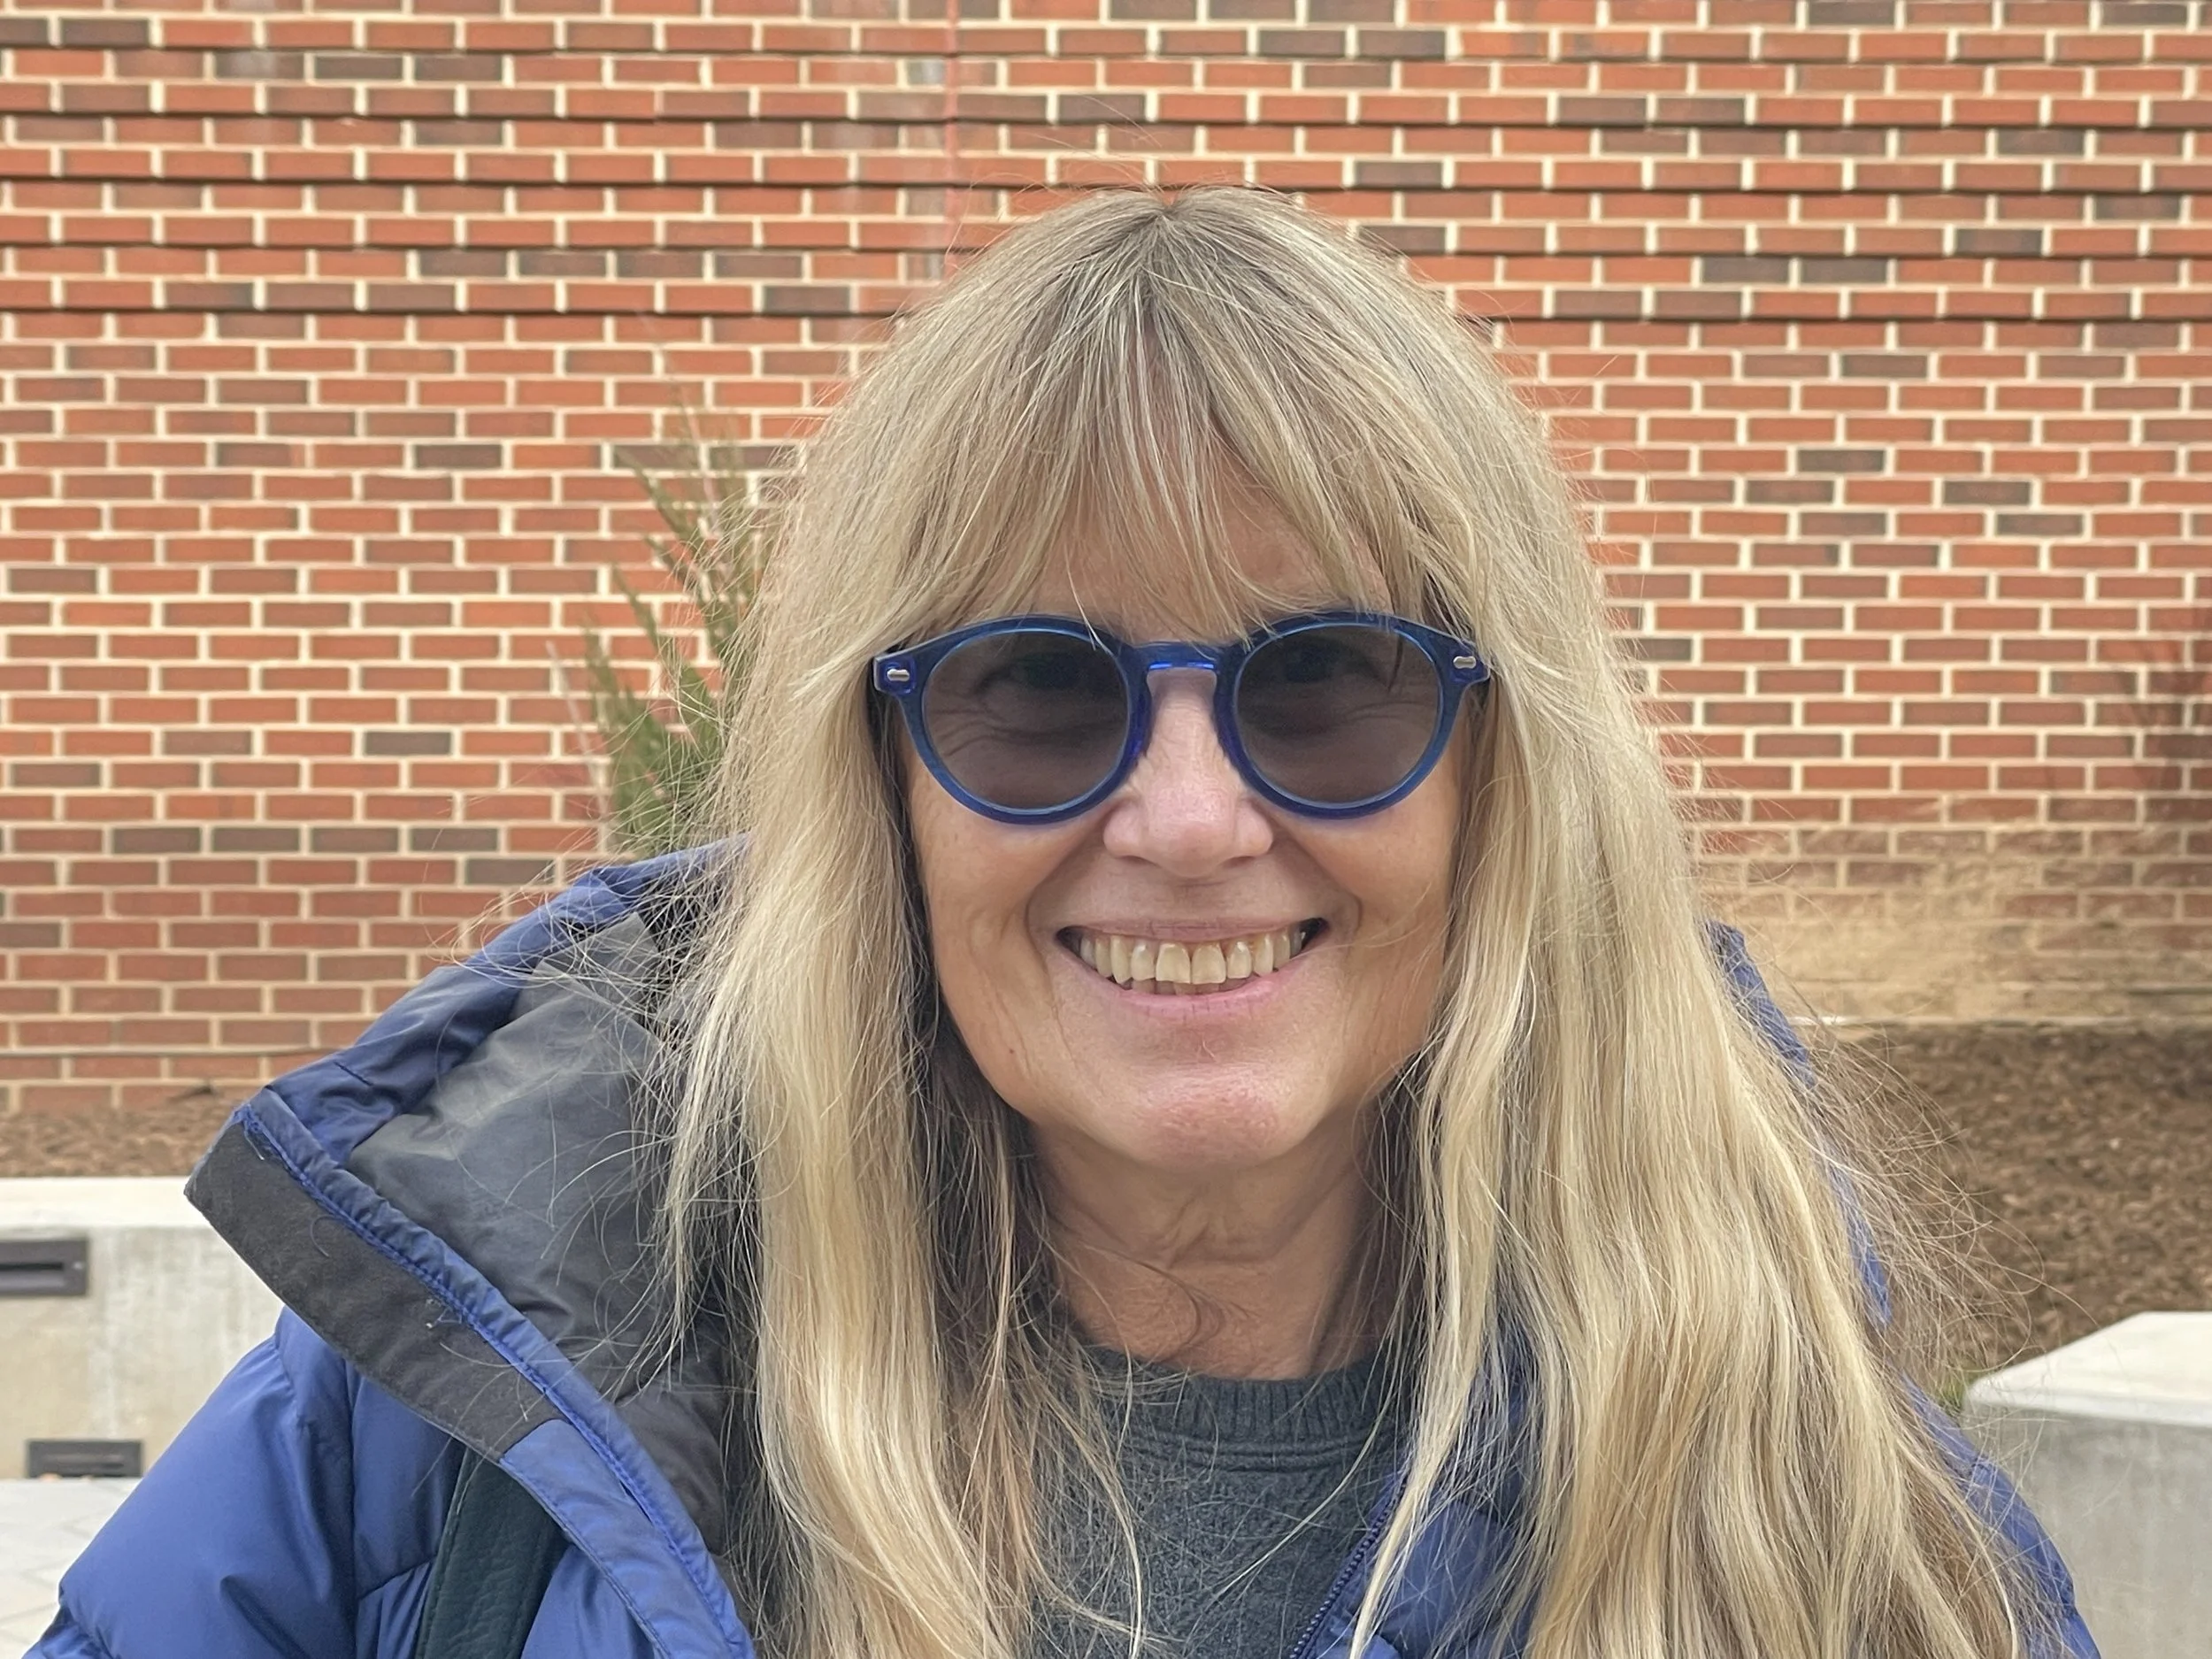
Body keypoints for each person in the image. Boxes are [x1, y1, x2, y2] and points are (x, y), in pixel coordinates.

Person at [36, 188, 2095, 1659]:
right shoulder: (449, 1419)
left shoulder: (1819, 1515)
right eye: (1036, 690)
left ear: (1504, 788)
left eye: (1327, 685)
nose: (1189, 820)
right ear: (884, 794)